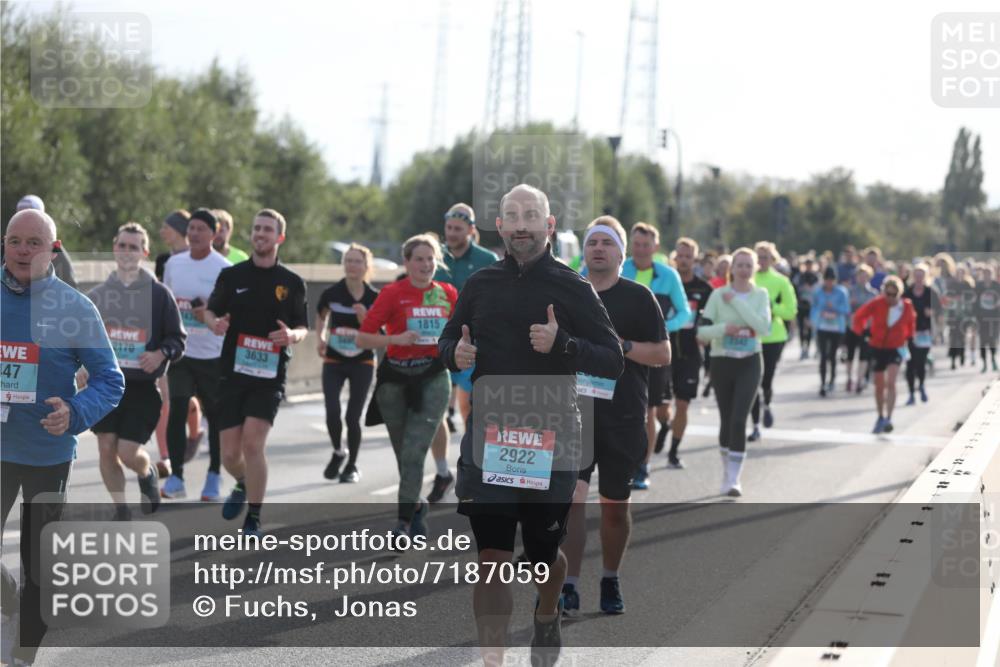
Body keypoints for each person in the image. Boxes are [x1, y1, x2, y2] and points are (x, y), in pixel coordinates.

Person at [438, 184, 623, 666]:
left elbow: (613, 360)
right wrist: (452, 353)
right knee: (492, 560)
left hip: (553, 438)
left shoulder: (572, 286)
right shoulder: (480, 284)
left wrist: (564, 344)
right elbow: (445, 338)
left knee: (544, 558)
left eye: (531, 215)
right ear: (498, 226)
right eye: (512, 215)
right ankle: (493, 661)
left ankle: (547, 611)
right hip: (491, 435)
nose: (521, 223)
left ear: (550, 224)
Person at [1, 209, 124, 666]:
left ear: (53, 249)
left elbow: (110, 380)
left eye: (34, 242)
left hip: (46, 453)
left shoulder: (75, 307)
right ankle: (9, 600)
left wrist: (74, 412)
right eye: (14, 240)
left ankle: (21, 657)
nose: (22, 250)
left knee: (40, 567)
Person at [562, 217, 669, 616]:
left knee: (613, 504)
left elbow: (662, 354)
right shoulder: (568, 293)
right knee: (571, 500)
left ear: (621, 254)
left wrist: (620, 346)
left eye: (607, 243)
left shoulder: (639, 297)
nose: (598, 249)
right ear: (584, 251)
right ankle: (568, 585)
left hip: (622, 414)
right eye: (593, 243)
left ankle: (610, 578)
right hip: (573, 414)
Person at [205, 209, 308, 537]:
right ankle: (242, 482)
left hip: (269, 375)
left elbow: (303, 326)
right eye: (257, 229)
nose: (260, 234)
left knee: (252, 445)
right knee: (230, 454)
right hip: (232, 373)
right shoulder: (232, 276)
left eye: (267, 229)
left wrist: (292, 336)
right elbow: (210, 311)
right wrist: (215, 323)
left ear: (280, 237)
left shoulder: (292, 283)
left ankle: (255, 516)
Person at [357, 235, 457, 541]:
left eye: (430, 259)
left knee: (414, 450)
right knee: (405, 456)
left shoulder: (448, 294)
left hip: (433, 377)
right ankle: (417, 508)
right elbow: (363, 338)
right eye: (419, 259)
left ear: (437, 261)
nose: (425, 265)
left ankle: (401, 523)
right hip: (395, 380)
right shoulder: (392, 293)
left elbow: (464, 333)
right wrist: (394, 340)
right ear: (407, 262)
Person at [88, 222, 186, 519]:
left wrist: (160, 354)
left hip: (142, 388)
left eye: (134, 247)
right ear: (114, 248)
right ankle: (121, 508)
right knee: (106, 448)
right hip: (105, 386)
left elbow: (178, 340)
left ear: (144, 252)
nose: (127, 252)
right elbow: (80, 339)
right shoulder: (99, 295)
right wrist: (81, 365)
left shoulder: (160, 295)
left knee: (128, 452)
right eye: (122, 245)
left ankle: (147, 474)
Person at [430, 203, 500, 502]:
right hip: (441, 344)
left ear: (471, 230)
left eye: (459, 229)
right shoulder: (436, 256)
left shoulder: (487, 260)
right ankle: (443, 471)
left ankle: (475, 468)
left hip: (474, 346)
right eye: (449, 228)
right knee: (434, 412)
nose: (452, 234)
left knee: (471, 410)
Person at [161, 208, 232, 500]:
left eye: (201, 229)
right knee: (177, 410)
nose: (194, 234)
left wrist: (210, 314)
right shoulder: (174, 264)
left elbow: (231, 313)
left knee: (215, 417)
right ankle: (176, 477)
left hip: (213, 355)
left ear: (214, 235)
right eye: (191, 228)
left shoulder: (224, 268)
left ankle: (214, 476)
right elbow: (165, 303)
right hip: (181, 352)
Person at [696, 248, 771, 496]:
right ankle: (726, 470)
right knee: (727, 419)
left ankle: (734, 479)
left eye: (748, 265)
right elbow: (702, 332)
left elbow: (763, 327)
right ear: (732, 268)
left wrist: (737, 302)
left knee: (740, 419)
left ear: (755, 268)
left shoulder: (761, 294)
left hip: (750, 361)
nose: (743, 269)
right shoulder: (718, 295)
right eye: (739, 265)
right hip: (722, 362)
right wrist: (724, 329)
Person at [621, 222, 690, 489]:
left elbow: (685, 313)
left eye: (645, 245)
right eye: (636, 244)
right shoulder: (620, 267)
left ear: (655, 247)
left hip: (653, 351)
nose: (640, 250)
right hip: (620, 350)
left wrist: (663, 330)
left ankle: (643, 466)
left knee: (647, 410)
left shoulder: (668, 276)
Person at [315, 243, 379, 482]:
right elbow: (321, 317)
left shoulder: (374, 297)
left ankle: (352, 465)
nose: (352, 265)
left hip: (362, 361)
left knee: (353, 416)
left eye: (357, 261)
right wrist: (321, 338)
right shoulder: (331, 293)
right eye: (348, 261)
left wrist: (365, 319)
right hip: (334, 359)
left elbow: (380, 333)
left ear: (366, 266)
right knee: (332, 411)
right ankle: (338, 451)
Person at [153, 209, 200, 477]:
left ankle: (195, 433)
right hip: (169, 337)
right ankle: (166, 457)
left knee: (190, 398)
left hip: (199, 338)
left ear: (179, 229)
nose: (162, 231)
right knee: (166, 397)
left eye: (166, 227)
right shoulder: (162, 260)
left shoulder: (198, 259)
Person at [662, 237, 713, 468]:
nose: (683, 260)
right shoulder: (664, 282)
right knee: (660, 407)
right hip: (663, 350)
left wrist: (706, 334)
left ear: (695, 259)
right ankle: (663, 425)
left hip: (691, 354)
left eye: (688, 257)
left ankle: (673, 451)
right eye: (680, 256)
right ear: (675, 256)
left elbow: (712, 320)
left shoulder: (705, 289)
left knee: (682, 404)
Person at [851, 276, 915, 434]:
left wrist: (909, 338)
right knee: (879, 385)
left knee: (891, 382)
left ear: (899, 294)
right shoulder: (877, 303)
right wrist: (863, 332)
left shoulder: (905, 306)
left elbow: (911, 323)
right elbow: (859, 316)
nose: (890, 298)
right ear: (884, 292)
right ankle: (880, 416)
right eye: (888, 294)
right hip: (877, 346)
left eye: (894, 295)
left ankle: (889, 418)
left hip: (896, 347)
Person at [747, 242, 797, 442]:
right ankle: (756, 425)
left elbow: (791, 311)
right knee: (753, 381)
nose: (761, 261)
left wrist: (772, 306)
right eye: (758, 257)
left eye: (765, 257)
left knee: (766, 379)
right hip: (750, 335)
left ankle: (767, 403)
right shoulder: (749, 278)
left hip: (774, 336)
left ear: (773, 259)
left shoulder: (781, 281)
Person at [8, 195, 78, 289]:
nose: (23, 250)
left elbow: (70, 288)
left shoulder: (55, 251)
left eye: (34, 243)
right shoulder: (5, 246)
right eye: (21, 213)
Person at [811, 266, 850, 396]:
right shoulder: (818, 292)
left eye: (831, 280)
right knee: (823, 355)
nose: (829, 283)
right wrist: (818, 316)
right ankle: (822, 383)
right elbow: (814, 308)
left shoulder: (841, 292)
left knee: (832, 355)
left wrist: (835, 309)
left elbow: (846, 310)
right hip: (822, 327)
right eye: (827, 280)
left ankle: (832, 380)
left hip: (836, 327)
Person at [904, 263, 936, 403]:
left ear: (925, 277)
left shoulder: (930, 292)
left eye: (921, 276)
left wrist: (932, 312)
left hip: (924, 332)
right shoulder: (908, 292)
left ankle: (921, 386)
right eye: (916, 275)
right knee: (910, 363)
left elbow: (940, 309)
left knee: (921, 362)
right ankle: (911, 393)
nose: (918, 278)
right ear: (913, 276)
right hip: (910, 332)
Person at [844, 263, 878, 392]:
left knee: (864, 354)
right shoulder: (850, 292)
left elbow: (875, 311)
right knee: (850, 354)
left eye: (864, 276)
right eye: (860, 276)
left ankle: (860, 379)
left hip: (866, 327)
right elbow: (845, 309)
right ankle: (849, 378)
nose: (862, 278)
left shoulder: (873, 293)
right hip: (852, 326)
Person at [793, 257, 820, 359]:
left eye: (810, 264)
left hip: (811, 307)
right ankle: (802, 348)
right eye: (807, 264)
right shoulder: (800, 276)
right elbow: (794, 289)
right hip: (800, 305)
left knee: (809, 328)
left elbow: (818, 290)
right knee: (801, 328)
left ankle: (808, 348)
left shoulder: (816, 276)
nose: (808, 266)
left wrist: (811, 289)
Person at [976, 264, 1000, 373]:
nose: (987, 276)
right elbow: (974, 301)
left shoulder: (996, 286)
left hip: (994, 317)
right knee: (982, 341)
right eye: (985, 274)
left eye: (989, 274)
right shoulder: (978, 286)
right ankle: (984, 363)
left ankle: (994, 359)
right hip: (981, 317)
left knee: (992, 339)